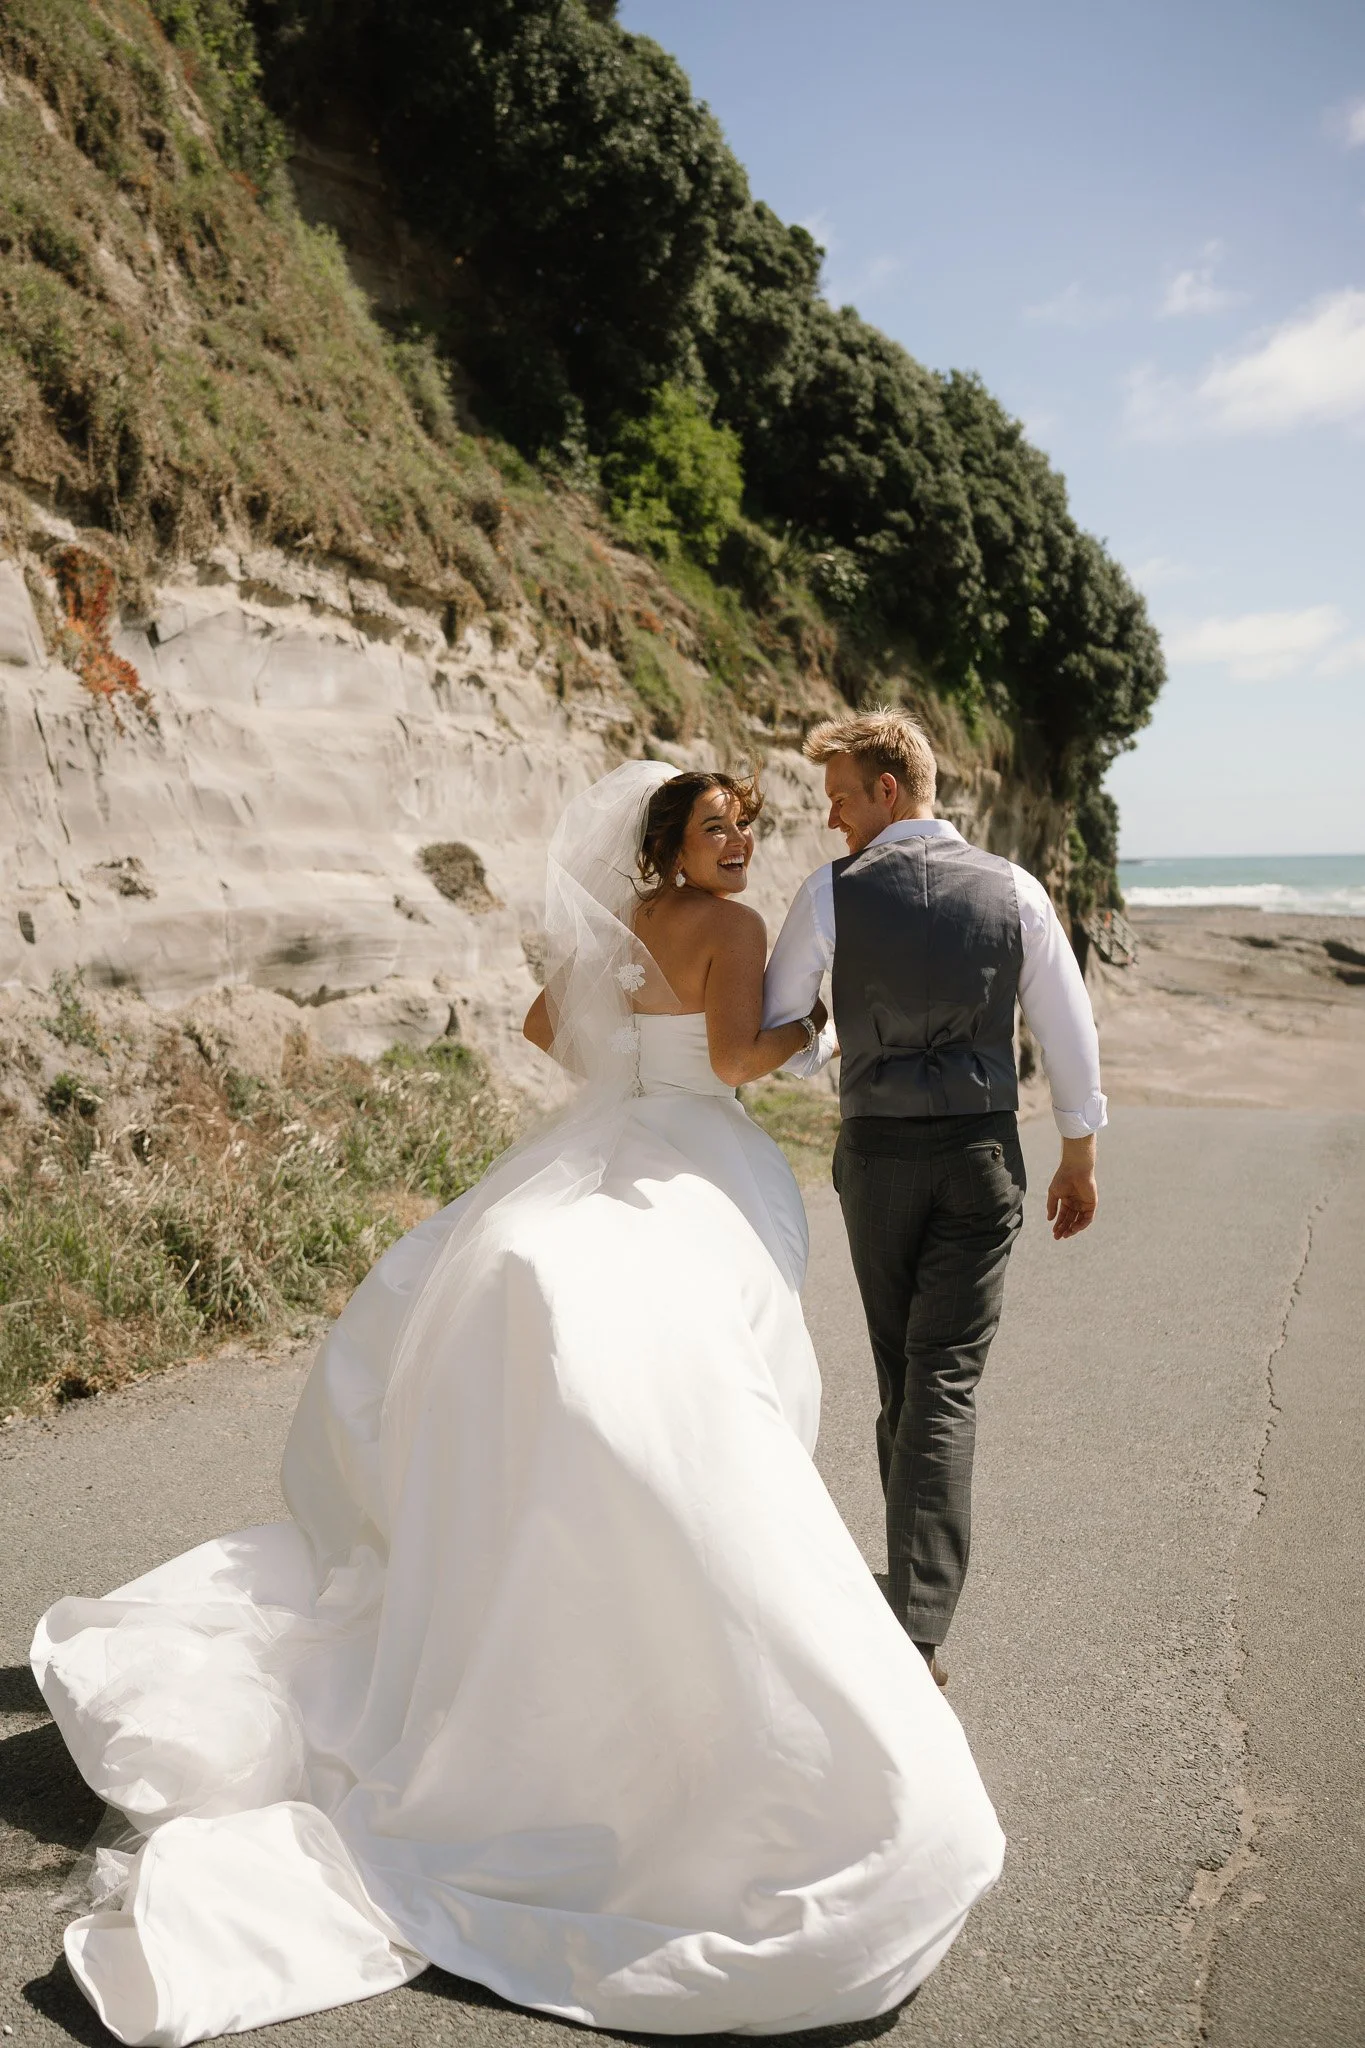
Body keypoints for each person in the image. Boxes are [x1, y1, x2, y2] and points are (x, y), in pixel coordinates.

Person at [32, 759, 1004, 2048]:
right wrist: (808, 1031)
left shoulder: (624, 923)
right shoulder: (734, 925)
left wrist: (627, 1058)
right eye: (718, 826)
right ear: (671, 840)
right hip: (693, 1146)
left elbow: (551, 1032)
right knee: (712, 1373)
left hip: (604, 1142)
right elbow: (729, 1057)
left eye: (745, 826)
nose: (739, 839)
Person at [763, 710, 1106, 1684]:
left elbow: (787, 1016)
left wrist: (838, 1043)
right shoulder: (1014, 889)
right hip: (978, 1155)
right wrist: (1079, 1151)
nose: (833, 822)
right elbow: (1065, 1023)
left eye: (840, 799)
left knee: (906, 1377)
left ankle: (913, 1608)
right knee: (940, 1377)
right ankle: (916, 1612)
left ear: (888, 787)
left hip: (877, 1156)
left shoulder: (832, 895)